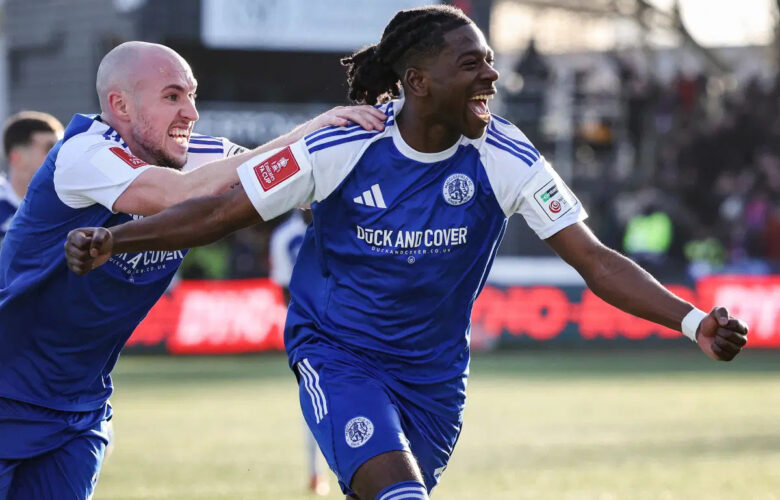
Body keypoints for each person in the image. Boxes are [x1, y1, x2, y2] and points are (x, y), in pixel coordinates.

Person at [65, 7, 749, 500]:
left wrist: (693, 322)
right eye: (471, 63)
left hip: (434, 379)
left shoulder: (505, 155)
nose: (492, 75)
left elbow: (595, 260)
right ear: (419, 82)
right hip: (339, 353)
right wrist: (116, 237)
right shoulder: (342, 147)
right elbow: (218, 210)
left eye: (489, 60)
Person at [0, 40, 385, 500]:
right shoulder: (83, 153)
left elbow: (294, 179)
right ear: (119, 105)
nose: (191, 112)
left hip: (78, 410)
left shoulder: (196, 156)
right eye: (172, 96)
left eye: (192, 94)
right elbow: (179, 196)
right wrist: (309, 134)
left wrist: (380, 143)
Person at [268, 210, 331, 495]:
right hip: (323, 327)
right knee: (319, 398)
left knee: (319, 397)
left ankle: (320, 473)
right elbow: (284, 291)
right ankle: (318, 473)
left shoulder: (283, 236)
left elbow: (284, 292)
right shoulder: (286, 236)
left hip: (324, 325)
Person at [0, 111, 63, 244]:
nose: (59, 156)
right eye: (50, 149)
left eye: (60, 149)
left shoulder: (68, 208)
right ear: (17, 157)